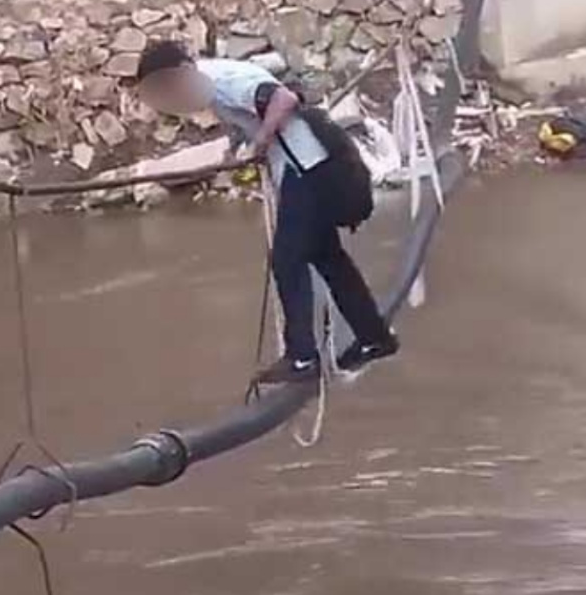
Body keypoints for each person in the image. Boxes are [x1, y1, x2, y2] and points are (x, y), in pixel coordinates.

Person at [130, 41, 399, 385]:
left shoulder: (223, 79)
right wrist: (238, 149)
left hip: (307, 167)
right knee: (329, 259)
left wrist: (260, 142)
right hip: (305, 166)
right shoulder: (212, 89)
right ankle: (374, 337)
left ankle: (302, 357)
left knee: (288, 259)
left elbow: (282, 100)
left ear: (182, 73)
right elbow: (247, 118)